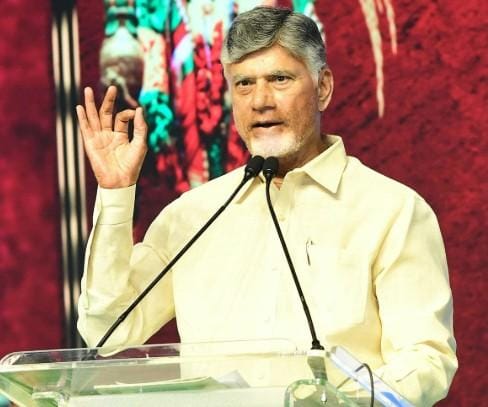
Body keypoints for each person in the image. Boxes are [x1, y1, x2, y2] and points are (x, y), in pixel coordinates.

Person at [76, 6, 457, 405]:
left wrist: (343, 402)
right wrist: (115, 193)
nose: (260, 101)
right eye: (244, 84)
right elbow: (106, 329)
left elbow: (426, 360)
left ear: (323, 87)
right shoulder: (192, 216)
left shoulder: (392, 210)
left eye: (279, 79)